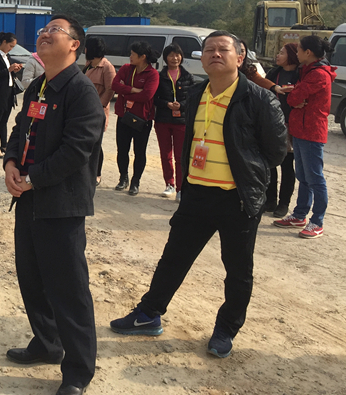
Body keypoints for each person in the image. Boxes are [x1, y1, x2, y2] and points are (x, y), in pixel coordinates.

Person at [109, 31, 286, 358]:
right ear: (201, 58)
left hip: (238, 199)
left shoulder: (260, 99)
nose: (215, 54)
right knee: (173, 258)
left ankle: (226, 329)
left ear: (239, 58)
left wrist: (247, 175)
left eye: (223, 49)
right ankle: (148, 314)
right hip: (196, 195)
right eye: (209, 50)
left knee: (237, 270)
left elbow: (276, 151)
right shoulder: (195, 93)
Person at [3, 15, 105, 395]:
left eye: (54, 31)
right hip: (29, 198)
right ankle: (47, 343)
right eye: (43, 31)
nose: (44, 35)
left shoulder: (81, 92)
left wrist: (32, 178)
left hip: (61, 205)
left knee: (68, 289)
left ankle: (78, 371)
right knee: (32, 278)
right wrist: (11, 164)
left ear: (74, 45)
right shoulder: (39, 86)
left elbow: (76, 150)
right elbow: (20, 130)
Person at [273, 36, 335, 239]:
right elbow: (297, 96)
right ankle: (300, 214)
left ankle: (317, 221)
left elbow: (294, 98)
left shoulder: (318, 74)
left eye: (299, 49)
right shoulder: (307, 71)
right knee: (303, 176)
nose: (296, 53)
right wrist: (295, 95)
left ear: (308, 53)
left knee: (315, 178)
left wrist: (293, 95)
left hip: (311, 131)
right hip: (300, 129)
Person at [111, 41, 159, 195]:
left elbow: (147, 95)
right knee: (122, 149)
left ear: (142, 57)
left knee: (139, 151)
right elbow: (114, 85)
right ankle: (123, 177)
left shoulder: (152, 74)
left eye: (133, 54)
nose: (130, 57)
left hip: (142, 119)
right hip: (124, 116)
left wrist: (125, 93)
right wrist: (133, 89)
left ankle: (135, 181)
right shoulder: (126, 68)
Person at [153, 44, 196, 199]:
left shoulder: (188, 77)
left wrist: (181, 105)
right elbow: (154, 98)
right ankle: (169, 184)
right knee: (165, 155)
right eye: (171, 55)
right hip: (163, 120)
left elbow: (193, 98)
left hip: (181, 121)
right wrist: (167, 104)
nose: (175, 58)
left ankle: (180, 188)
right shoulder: (159, 76)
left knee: (180, 156)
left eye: (177, 55)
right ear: (165, 58)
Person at [264, 43, 299, 217]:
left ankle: (283, 203)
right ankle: (270, 200)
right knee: (270, 164)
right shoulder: (273, 74)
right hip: (272, 124)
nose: (278, 55)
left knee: (287, 166)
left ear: (291, 55)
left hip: (290, 126)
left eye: (282, 53)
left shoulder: (299, 75)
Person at [82, 36, 115, 185]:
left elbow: (110, 89)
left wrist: (99, 106)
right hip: (83, 109)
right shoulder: (88, 64)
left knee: (96, 144)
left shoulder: (107, 67)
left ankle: (97, 173)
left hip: (97, 111)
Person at [0, 32, 23, 158]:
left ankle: (4, 145)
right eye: (10, 46)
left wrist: (14, 70)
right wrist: (8, 70)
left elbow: (8, 74)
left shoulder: (6, 56)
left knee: (4, 121)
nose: (11, 49)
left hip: (9, 92)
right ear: (4, 42)